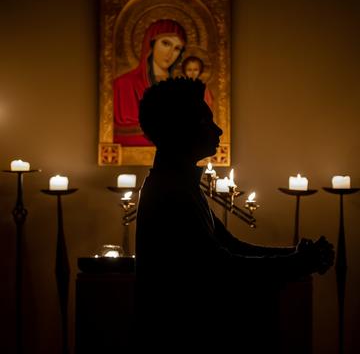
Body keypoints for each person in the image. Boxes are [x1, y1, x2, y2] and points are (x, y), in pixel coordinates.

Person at [135, 77, 334, 351]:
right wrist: (298, 262)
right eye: (206, 122)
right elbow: (220, 266)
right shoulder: (170, 191)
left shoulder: (178, 184)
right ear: (180, 129)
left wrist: (294, 255)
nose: (217, 131)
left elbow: (230, 245)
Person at [113, 19, 186, 146]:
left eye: (177, 48)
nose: (170, 53)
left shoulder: (182, 87)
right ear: (151, 43)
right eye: (166, 43)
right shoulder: (124, 84)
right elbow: (119, 134)